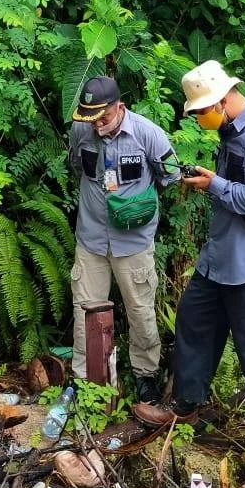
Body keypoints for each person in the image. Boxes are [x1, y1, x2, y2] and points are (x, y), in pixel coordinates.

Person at [133, 60, 245, 439]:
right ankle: (187, 405)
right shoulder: (230, 131)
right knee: (194, 322)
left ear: (224, 99)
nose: (199, 120)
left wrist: (215, 186)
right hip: (220, 255)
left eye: (202, 111)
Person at [69, 76, 180, 404]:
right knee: (84, 311)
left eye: (102, 117)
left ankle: (146, 376)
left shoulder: (149, 135)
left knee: (140, 311)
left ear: (121, 108)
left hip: (133, 243)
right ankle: (84, 379)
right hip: (90, 240)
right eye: (90, 118)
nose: (96, 125)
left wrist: (137, 204)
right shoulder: (80, 131)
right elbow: (78, 166)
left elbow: (171, 176)